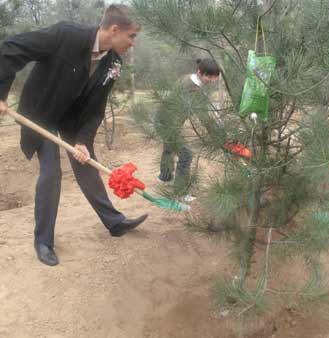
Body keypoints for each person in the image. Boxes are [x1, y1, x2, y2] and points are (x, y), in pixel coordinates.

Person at [0, 4, 148, 266]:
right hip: (41, 113)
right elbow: (12, 48)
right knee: (51, 172)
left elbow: (96, 109)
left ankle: (114, 222)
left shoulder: (113, 63)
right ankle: (43, 241)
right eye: (132, 36)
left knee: (86, 164)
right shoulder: (66, 35)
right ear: (114, 30)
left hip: (72, 119)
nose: (133, 43)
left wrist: (82, 140)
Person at [155, 58, 224, 202]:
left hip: (163, 119)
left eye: (214, 77)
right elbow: (205, 118)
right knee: (186, 154)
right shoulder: (192, 88)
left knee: (169, 148)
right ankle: (180, 192)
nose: (211, 80)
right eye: (209, 76)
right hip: (168, 123)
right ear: (200, 72)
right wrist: (219, 136)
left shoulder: (188, 78)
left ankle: (164, 177)